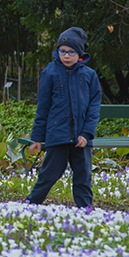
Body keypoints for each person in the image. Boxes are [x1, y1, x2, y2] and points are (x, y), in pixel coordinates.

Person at [26, 27, 101, 208]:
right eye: (62, 51)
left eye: (71, 52)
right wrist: (37, 138)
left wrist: (87, 133)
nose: (66, 56)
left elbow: (93, 109)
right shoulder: (50, 72)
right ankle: (28, 207)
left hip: (81, 139)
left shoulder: (89, 75)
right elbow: (42, 108)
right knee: (47, 176)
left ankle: (86, 213)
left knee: (83, 178)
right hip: (57, 136)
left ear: (80, 53)